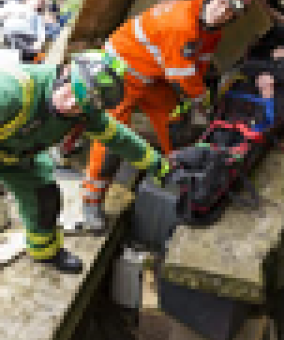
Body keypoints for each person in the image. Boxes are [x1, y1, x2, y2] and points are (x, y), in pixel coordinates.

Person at [80, 0, 254, 232]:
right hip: (118, 74)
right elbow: (183, 77)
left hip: (152, 74)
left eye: (230, 11)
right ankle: (91, 201)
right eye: (220, 2)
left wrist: (200, 94)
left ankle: (174, 171)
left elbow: (199, 65)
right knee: (109, 139)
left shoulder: (211, 29)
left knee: (173, 119)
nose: (221, 12)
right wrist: (204, 102)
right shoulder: (181, 24)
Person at [0, 51, 170, 274]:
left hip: (18, 158)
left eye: (81, 104)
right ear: (66, 71)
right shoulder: (12, 91)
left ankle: (45, 252)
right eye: (71, 92)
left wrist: (161, 167)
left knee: (45, 199)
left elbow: (121, 139)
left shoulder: (85, 114)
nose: (70, 104)